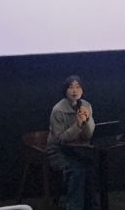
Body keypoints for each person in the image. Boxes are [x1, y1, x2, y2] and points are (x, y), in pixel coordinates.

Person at [46, 75, 100, 210]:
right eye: (70, 87)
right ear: (65, 90)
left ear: (82, 90)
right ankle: (74, 207)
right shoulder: (58, 110)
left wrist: (87, 120)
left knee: (90, 167)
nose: (74, 91)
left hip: (78, 149)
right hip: (58, 151)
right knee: (77, 170)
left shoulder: (86, 105)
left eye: (78, 87)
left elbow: (90, 135)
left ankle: (92, 207)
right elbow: (60, 139)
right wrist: (78, 125)